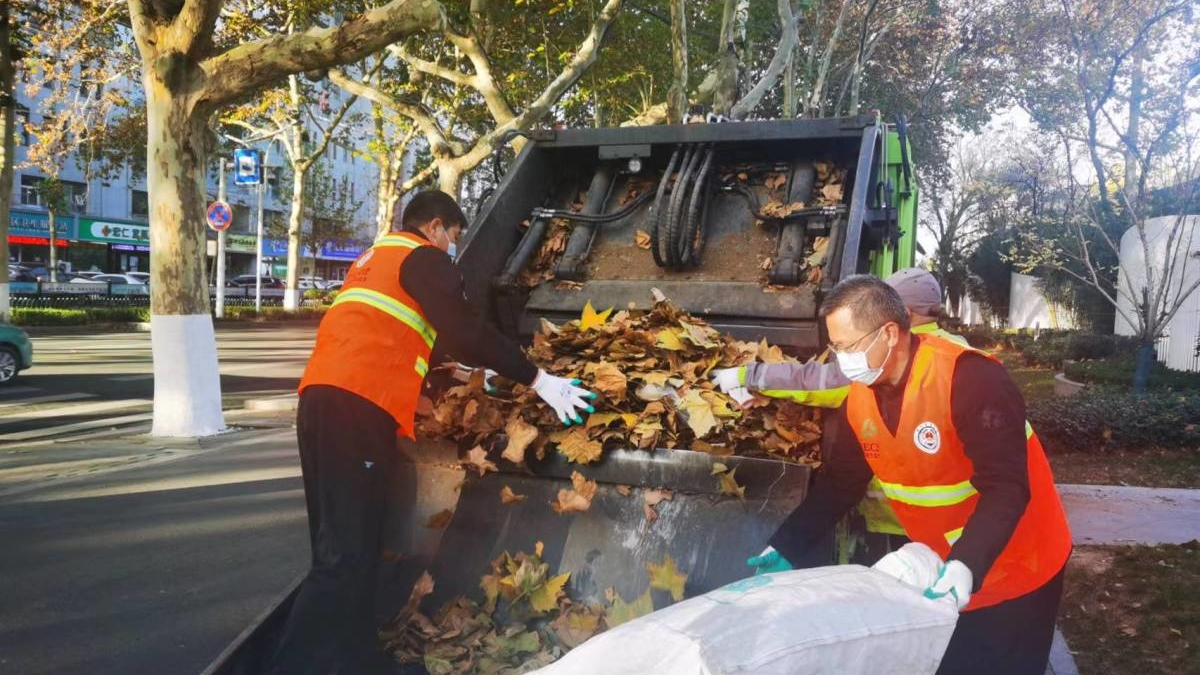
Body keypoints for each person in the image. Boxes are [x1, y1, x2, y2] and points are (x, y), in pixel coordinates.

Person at [269, 190, 595, 675]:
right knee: (342, 556)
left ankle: (358, 661)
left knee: (351, 547)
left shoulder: (376, 257)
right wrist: (537, 379)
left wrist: (453, 371)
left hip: (324, 402)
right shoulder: (423, 256)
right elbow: (465, 330)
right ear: (436, 226)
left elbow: (403, 334)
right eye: (455, 238)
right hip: (356, 409)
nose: (453, 249)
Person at [750, 275, 1071, 675]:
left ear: (889, 333)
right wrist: (787, 544)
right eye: (835, 347)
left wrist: (967, 563)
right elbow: (842, 484)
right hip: (945, 566)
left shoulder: (970, 379)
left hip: (1022, 560)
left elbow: (1006, 486)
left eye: (847, 346)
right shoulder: (861, 398)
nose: (841, 359)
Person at [711, 267, 967, 543]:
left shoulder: (883, 361)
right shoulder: (960, 353)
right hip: (960, 532)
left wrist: (746, 375)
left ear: (902, 314)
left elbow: (818, 382)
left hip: (908, 531)